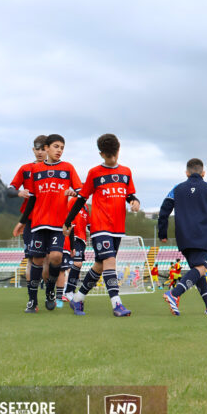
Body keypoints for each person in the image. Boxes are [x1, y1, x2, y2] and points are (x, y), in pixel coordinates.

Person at [61, 133, 140, 317]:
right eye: (108, 156)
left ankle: (77, 299)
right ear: (101, 154)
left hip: (118, 229)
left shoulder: (126, 172)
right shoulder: (94, 173)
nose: (112, 159)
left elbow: (129, 195)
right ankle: (117, 305)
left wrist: (135, 202)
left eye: (114, 155)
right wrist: (67, 221)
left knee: (99, 265)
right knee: (110, 262)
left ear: (118, 151)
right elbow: (81, 199)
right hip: (100, 227)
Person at [13, 134, 82, 313]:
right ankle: (32, 301)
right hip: (38, 222)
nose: (59, 150)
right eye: (56, 146)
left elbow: (80, 192)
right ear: (47, 148)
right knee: (36, 260)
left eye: (62, 148)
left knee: (56, 257)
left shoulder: (68, 168)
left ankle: (50, 291)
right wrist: (22, 222)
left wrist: (73, 193)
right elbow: (32, 198)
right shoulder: (36, 169)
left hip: (58, 224)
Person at [158, 158, 207, 315]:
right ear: (203, 173)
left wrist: (162, 233)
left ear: (186, 173)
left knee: (197, 270)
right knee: (201, 268)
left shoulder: (176, 189)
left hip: (183, 237)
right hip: (201, 236)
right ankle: (174, 293)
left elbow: (164, 210)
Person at [8, 136, 52, 297]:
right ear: (33, 150)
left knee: (48, 259)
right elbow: (9, 190)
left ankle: (49, 294)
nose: (40, 152)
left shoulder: (56, 170)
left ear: (48, 149)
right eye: (37, 149)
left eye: (43, 149)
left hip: (50, 220)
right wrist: (19, 192)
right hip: (30, 220)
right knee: (32, 259)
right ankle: (32, 299)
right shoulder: (25, 169)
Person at [58, 195, 88, 307]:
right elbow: (68, 218)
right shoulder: (73, 201)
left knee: (77, 267)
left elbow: (88, 223)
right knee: (76, 264)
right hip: (75, 236)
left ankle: (70, 290)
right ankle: (68, 291)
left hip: (83, 239)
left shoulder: (86, 206)